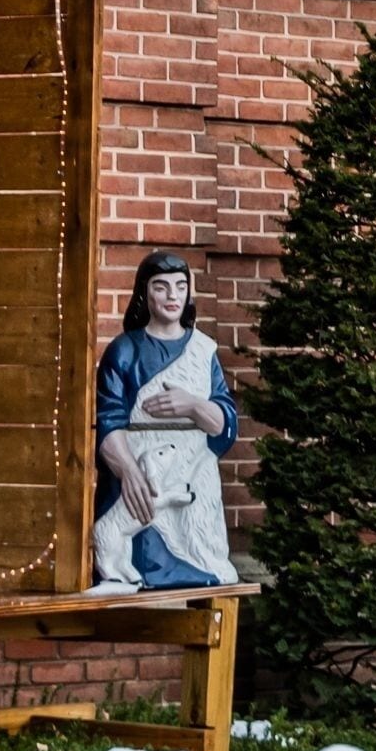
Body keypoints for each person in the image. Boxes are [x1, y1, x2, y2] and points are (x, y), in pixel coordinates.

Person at [90, 250, 238, 591]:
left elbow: (225, 423)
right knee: (139, 538)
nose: (173, 296)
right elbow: (109, 420)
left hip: (194, 474)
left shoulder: (203, 351)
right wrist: (129, 471)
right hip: (142, 473)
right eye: (161, 287)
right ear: (145, 292)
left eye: (180, 286)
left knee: (202, 556)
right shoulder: (124, 350)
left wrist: (193, 406)